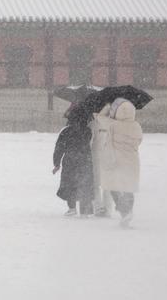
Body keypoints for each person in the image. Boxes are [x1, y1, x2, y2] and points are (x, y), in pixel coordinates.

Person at [93, 98, 143, 228]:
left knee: (112, 186)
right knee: (129, 188)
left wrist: (108, 108)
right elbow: (139, 141)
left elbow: (99, 118)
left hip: (116, 160)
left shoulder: (113, 124)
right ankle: (128, 211)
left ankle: (123, 211)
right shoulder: (137, 126)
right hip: (132, 161)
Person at [53, 105, 96, 217]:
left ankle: (72, 208)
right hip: (85, 160)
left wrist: (56, 164)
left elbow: (59, 148)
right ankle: (84, 209)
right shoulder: (88, 131)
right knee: (84, 183)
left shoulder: (66, 131)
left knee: (70, 183)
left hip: (70, 160)